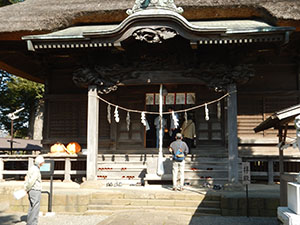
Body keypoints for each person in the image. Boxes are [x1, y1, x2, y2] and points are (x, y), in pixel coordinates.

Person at [24, 155, 45, 225]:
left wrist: (26, 188)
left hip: (31, 190)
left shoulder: (32, 168)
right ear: (40, 163)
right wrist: (27, 188)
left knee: (31, 206)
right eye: (43, 162)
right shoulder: (36, 170)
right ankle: (33, 222)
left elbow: (27, 178)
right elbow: (32, 181)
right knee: (35, 207)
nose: (44, 163)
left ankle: (29, 222)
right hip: (35, 189)